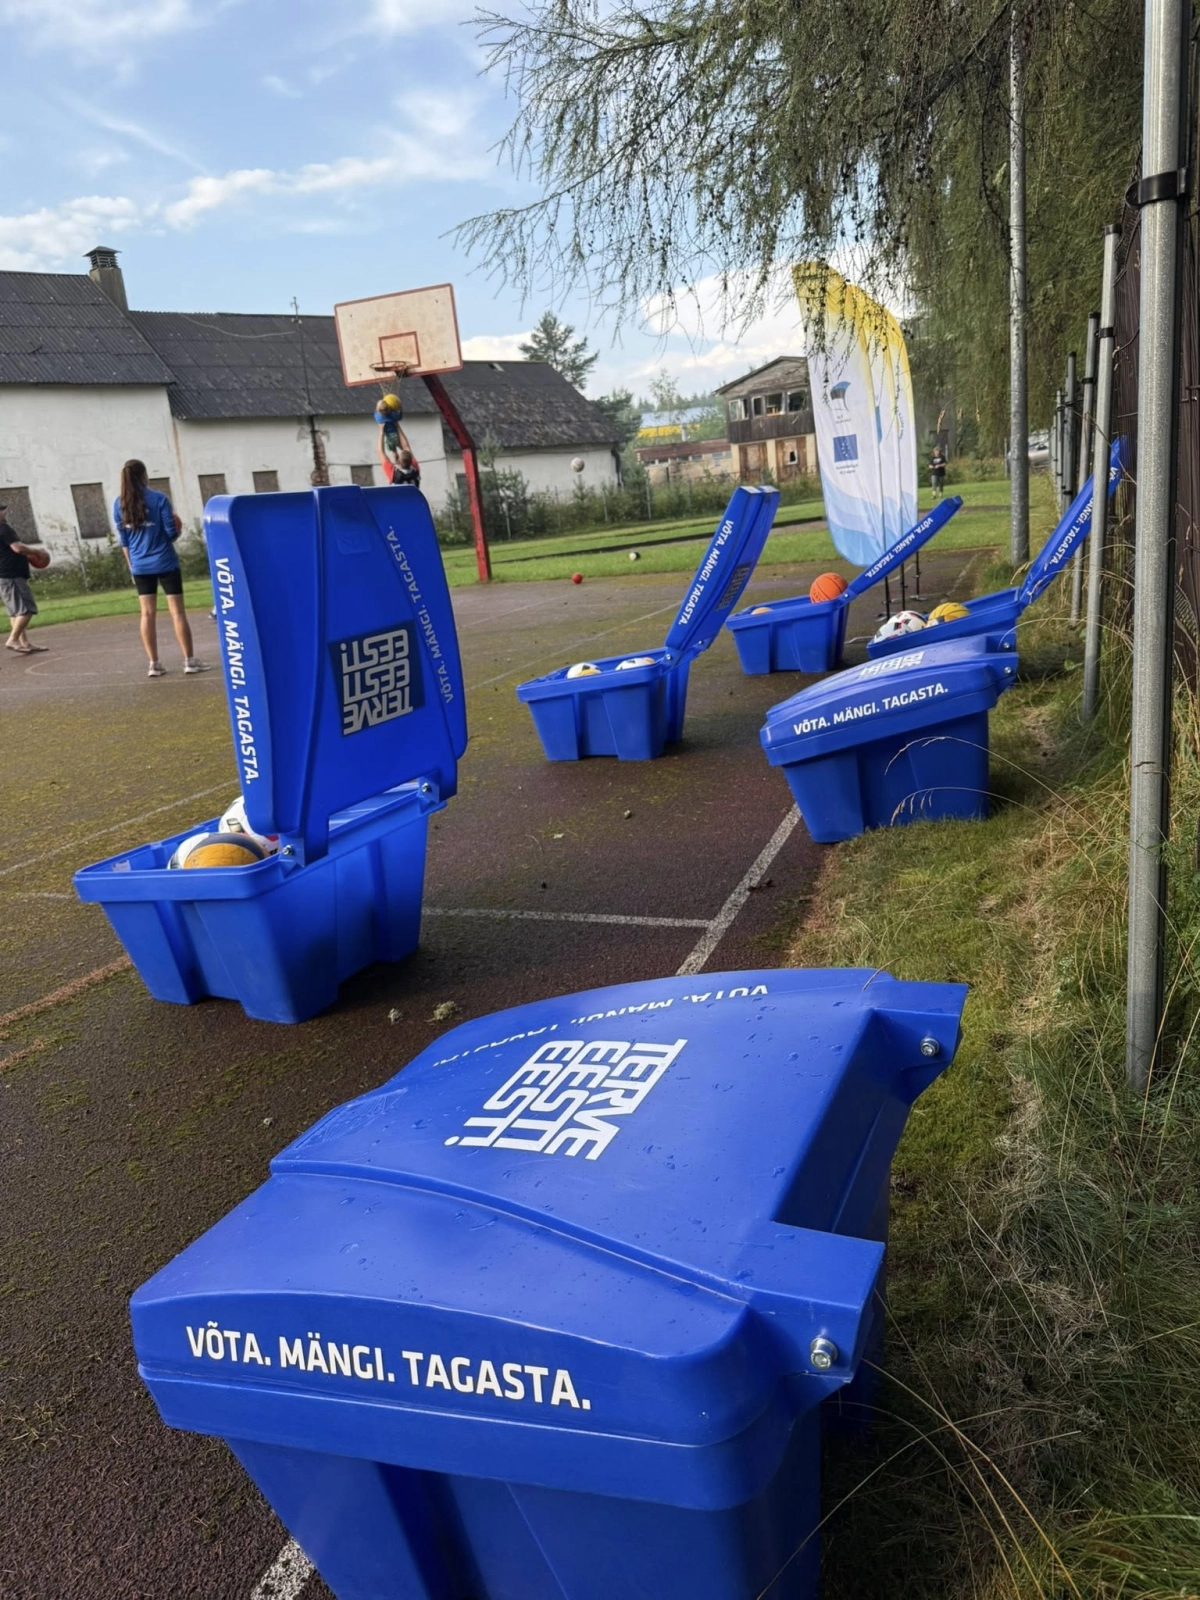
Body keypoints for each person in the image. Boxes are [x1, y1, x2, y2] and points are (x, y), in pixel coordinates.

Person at [113, 460, 209, 678]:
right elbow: (171, 532)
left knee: (147, 614)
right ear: (144, 475)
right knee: (177, 613)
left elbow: (124, 540)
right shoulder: (159, 499)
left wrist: (132, 568)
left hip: (139, 566)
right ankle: (189, 661)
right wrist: (177, 532)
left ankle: (154, 664)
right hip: (165, 562)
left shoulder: (119, 504)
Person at [0, 504, 47, 655]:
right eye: (1, 510)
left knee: (15, 612)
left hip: (4, 576)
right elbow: (18, 548)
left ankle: (24, 643)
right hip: (12, 575)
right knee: (27, 609)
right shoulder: (3, 528)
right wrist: (36, 552)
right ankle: (12, 640)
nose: (4, 512)